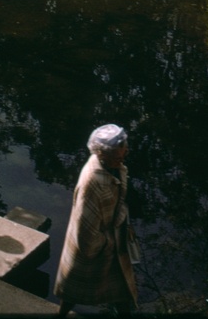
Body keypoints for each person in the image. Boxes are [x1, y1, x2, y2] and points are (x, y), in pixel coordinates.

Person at [55, 124, 138, 317]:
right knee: (74, 287)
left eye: (124, 152)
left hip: (112, 236)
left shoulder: (112, 165)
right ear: (102, 155)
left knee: (121, 292)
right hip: (99, 245)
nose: (123, 158)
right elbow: (86, 230)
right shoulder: (92, 182)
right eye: (118, 157)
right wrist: (107, 244)